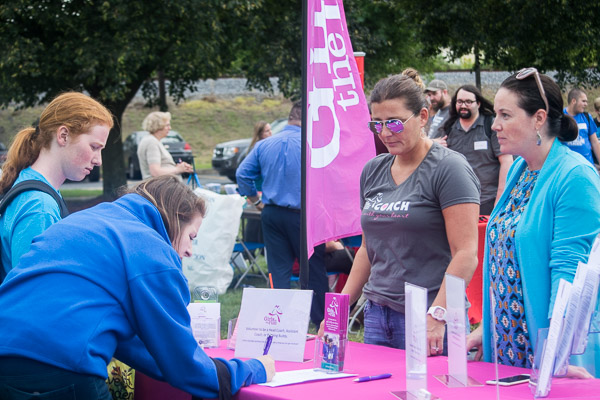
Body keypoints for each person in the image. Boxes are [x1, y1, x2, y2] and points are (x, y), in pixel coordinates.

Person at [0, 175, 275, 399]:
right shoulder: (152, 251)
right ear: (174, 219)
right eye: (191, 236)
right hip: (61, 366)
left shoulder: (85, 220)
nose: (189, 251)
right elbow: (184, 364)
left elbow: (133, 344)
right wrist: (250, 369)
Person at [325, 73, 480, 355]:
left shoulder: (449, 169)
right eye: (377, 124)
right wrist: (341, 306)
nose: (385, 133)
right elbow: (368, 249)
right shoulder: (373, 170)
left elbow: (466, 253)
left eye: (395, 123)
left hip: (430, 316)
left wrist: (438, 314)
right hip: (377, 314)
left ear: (422, 117)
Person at [465, 68, 600, 378]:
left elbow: (569, 275)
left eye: (505, 115)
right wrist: (489, 326)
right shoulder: (520, 170)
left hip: (548, 356)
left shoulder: (575, 176)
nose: (495, 125)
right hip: (508, 347)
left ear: (539, 118)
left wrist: (557, 355)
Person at [0, 92, 113, 278]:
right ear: (63, 135)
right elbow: (33, 289)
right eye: (94, 147)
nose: (98, 160)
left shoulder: (29, 182)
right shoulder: (40, 206)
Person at [236, 102, 329, 327]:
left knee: (278, 271)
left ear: (290, 118)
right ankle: (321, 322)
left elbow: (242, 174)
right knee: (313, 270)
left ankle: (278, 322)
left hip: (272, 214)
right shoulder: (314, 145)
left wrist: (255, 201)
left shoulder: (264, 144)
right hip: (303, 216)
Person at [441, 85, 513, 214]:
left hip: (488, 201)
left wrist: (500, 200)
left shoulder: (491, 126)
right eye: (460, 102)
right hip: (457, 202)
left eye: (468, 102)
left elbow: (507, 161)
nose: (463, 106)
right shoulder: (449, 128)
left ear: (478, 104)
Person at [137, 111, 193, 180]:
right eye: (167, 125)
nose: (170, 128)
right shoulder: (152, 142)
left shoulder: (152, 140)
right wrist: (178, 169)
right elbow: (155, 172)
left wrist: (179, 167)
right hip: (159, 186)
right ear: (158, 126)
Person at [563, 88, 600, 165]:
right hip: (567, 165)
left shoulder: (587, 117)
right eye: (583, 101)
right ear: (574, 101)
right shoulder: (560, 117)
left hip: (587, 164)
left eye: (586, 101)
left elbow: (594, 141)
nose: (586, 104)